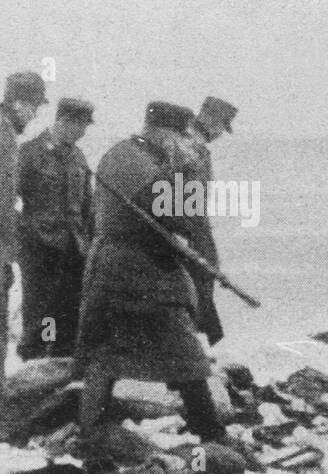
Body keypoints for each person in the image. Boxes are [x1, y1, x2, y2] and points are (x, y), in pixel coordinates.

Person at [75, 102, 228, 448]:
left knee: (106, 354)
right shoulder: (154, 166)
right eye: (180, 136)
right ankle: (212, 434)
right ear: (165, 133)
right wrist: (189, 171)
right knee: (186, 355)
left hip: (108, 266)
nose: (185, 142)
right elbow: (186, 220)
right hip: (144, 272)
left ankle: (89, 432)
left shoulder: (120, 153)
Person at [16, 98, 94, 359]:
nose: (83, 132)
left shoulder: (78, 156)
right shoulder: (30, 152)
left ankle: (60, 366)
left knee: (68, 311)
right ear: (63, 121)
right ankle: (34, 366)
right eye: (79, 126)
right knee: (40, 312)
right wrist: (27, 232)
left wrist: (90, 243)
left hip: (73, 248)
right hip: (40, 248)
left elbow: (86, 206)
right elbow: (7, 198)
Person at [0, 71, 49, 402]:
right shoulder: (4, 135)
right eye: (33, 107)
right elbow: (3, 198)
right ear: (19, 103)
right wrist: (10, 249)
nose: (33, 116)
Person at [182, 96, 237, 346]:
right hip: (190, 231)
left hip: (192, 229)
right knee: (197, 293)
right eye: (221, 128)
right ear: (212, 122)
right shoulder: (192, 148)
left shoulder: (194, 146)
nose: (220, 135)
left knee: (200, 292)